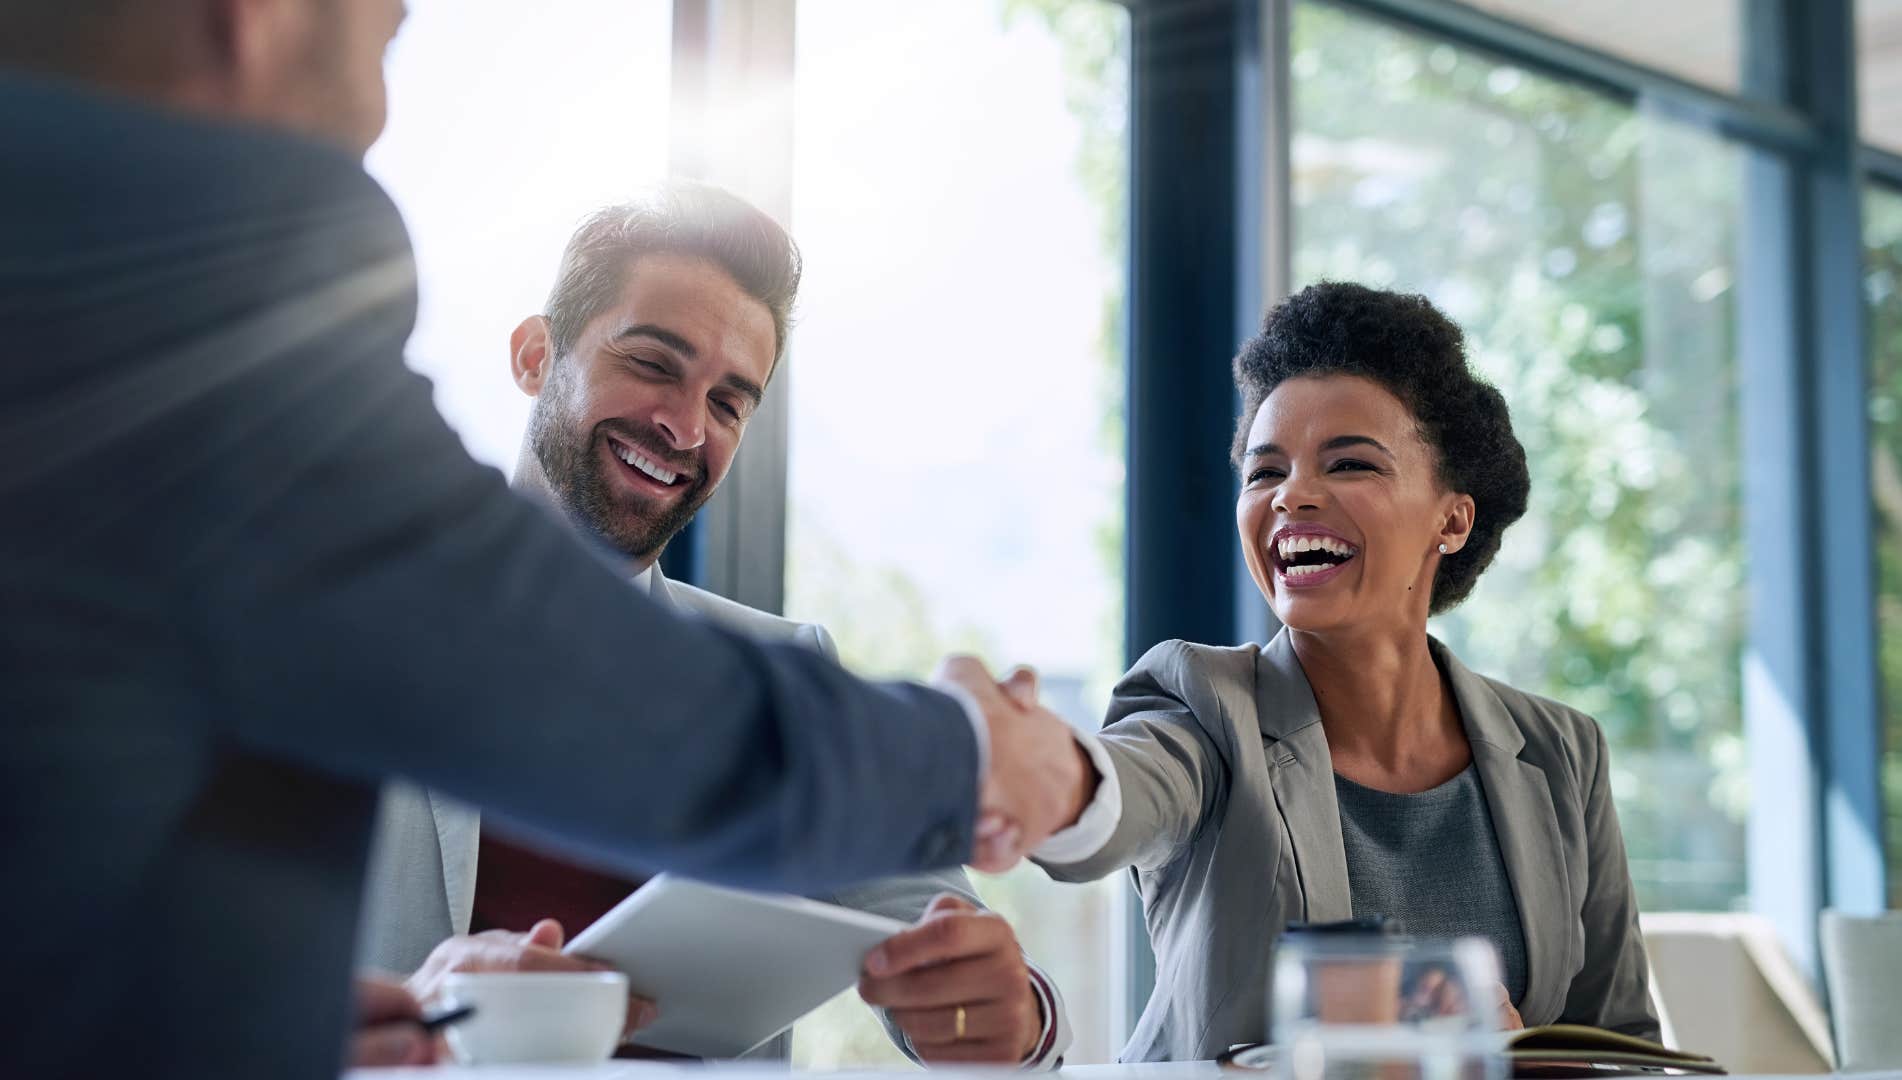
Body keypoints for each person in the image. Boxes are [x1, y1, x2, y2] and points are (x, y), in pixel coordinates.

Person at [0, 3, 1095, 1076]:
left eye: (730, 401)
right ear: (260, 17)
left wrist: (297, 1024)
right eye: (385, 28)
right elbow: (587, 691)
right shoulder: (216, 304)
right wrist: (974, 750)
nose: (684, 424)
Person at [358, 192, 1078, 1067]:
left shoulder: (787, 668)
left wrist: (1012, 1015)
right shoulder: (353, 617)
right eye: (656, 363)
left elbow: (940, 932)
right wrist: (415, 1007)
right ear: (535, 355)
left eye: (730, 402)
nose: (686, 426)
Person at [1035, 283, 1659, 1060]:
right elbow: (1115, 795)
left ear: (1452, 519)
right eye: (1265, 474)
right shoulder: (1201, 707)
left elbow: (1620, 1045)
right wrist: (1035, 771)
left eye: (1351, 463)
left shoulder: (1562, 750)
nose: (1292, 495)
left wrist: (1515, 1061)